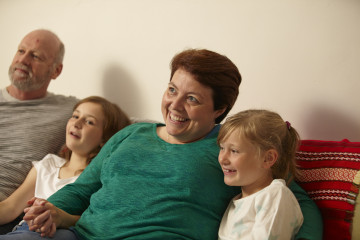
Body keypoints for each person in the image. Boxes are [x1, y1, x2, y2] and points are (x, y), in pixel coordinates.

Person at [11, 49, 321, 240]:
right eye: (172, 89)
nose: (174, 105)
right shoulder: (132, 134)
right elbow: (82, 189)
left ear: (219, 111)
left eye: (192, 99)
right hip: (79, 234)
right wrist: (47, 211)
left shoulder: (231, 150)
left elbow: (296, 202)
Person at [0, 96, 131, 234]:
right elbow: (10, 207)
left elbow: (94, 221)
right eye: (75, 116)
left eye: (89, 121)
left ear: (106, 140)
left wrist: (61, 218)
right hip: (23, 232)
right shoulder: (48, 165)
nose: (77, 123)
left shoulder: (98, 180)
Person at [0, 29, 78, 233]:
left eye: (35, 56)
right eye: (21, 51)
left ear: (56, 71)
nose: (23, 60)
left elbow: (120, 120)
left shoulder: (69, 111)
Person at [217, 109, 304, 239]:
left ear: (268, 158)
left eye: (234, 151)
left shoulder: (274, 195)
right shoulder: (237, 201)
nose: (222, 159)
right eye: (222, 148)